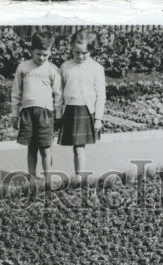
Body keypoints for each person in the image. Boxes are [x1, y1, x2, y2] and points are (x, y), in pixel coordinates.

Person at [10, 33, 63, 181]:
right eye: (38, 54)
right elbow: (16, 92)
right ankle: (32, 176)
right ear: (31, 50)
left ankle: (48, 179)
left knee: (45, 147)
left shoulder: (53, 70)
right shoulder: (23, 67)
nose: (41, 58)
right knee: (31, 147)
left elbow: (58, 94)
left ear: (51, 51)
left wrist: (58, 114)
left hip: (46, 113)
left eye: (45, 55)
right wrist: (15, 114)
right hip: (27, 112)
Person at [59, 30, 107, 180]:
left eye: (84, 53)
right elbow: (59, 93)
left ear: (91, 50)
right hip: (71, 110)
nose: (80, 56)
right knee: (76, 148)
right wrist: (58, 114)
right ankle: (79, 177)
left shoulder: (96, 68)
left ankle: (79, 178)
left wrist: (98, 118)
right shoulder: (65, 67)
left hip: (86, 110)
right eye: (76, 52)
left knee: (79, 147)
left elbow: (101, 95)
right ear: (71, 48)